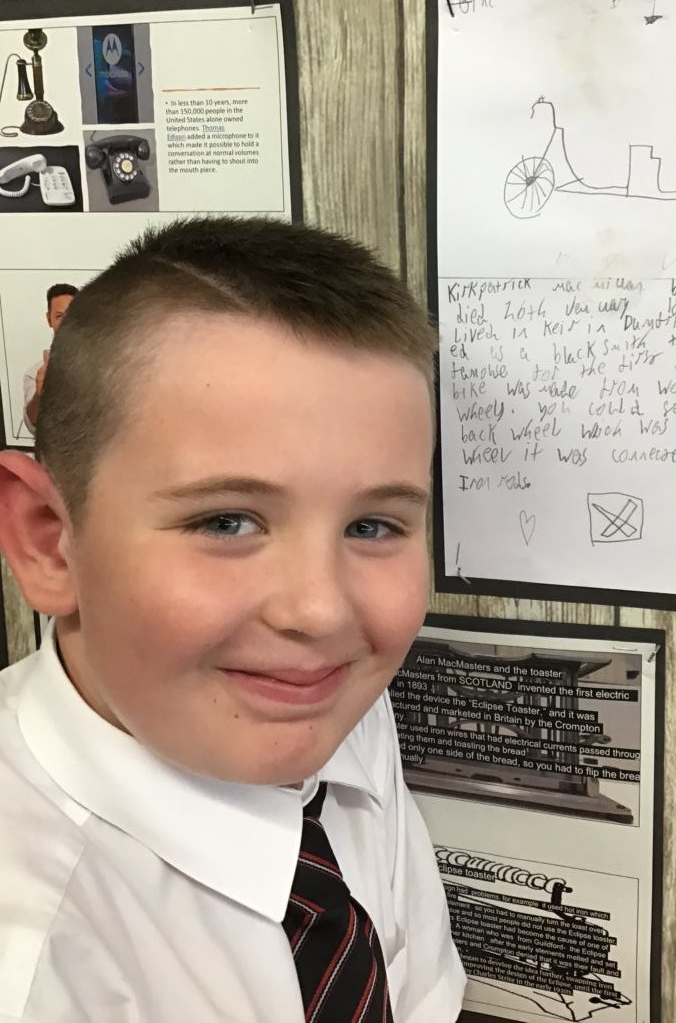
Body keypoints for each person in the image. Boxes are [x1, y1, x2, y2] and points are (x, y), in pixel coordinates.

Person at [0, 217, 465, 1022]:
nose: (320, 610)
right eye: (225, 522)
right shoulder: (33, 965)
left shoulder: (307, 693)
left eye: (371, 526)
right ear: (49, 542)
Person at [21, 282, 77, 436]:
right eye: (59, 316)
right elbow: (32, 424)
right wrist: (40, 394)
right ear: (49, 319)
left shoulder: (101, 364)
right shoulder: (36, 373)